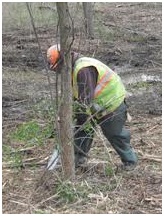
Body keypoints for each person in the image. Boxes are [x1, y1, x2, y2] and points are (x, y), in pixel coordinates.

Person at [47, 44, 138, 171]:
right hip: (96, 105)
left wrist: (78, 116)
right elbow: (75, 95)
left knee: (115, 134)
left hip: (111, 103)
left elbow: (85, 100)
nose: (58, 72)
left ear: (63, 60)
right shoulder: (73, 69)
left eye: (58, 68)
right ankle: (77, 159)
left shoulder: (84, 69)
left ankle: (130, 161)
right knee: (83, 130)